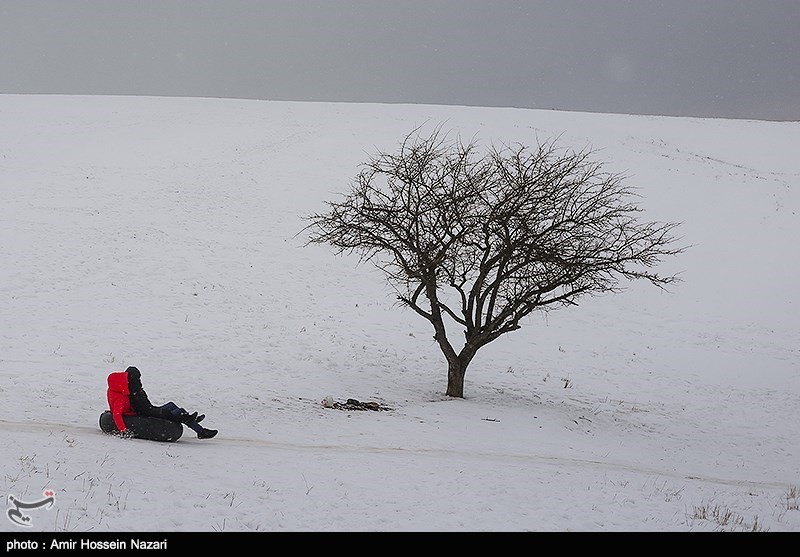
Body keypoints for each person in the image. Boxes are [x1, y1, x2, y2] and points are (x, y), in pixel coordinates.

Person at [106, 366, 217, 439]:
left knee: (171, 405)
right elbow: (117, 413)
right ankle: (199, 430)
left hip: (149, 408)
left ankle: (191, 421)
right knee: (178, 413)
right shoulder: (126, 393)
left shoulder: (130, 389)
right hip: (145, 413)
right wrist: (123, 430)